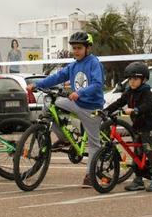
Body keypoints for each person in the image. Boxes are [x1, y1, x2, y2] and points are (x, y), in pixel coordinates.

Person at [27, 31, 105, 186]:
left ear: (87, 48)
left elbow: (97, 84)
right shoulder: (73, 65)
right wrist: (37, 84)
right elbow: (57, 77)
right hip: (77, 103)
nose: (75, 51)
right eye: (74, 48)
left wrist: (79, 93)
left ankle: (90, 175)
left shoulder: (94, 63)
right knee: (51, 105)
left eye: (79, 48)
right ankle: (63, 138)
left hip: (92, 107)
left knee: (93, 143)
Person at [104, 62, 152, 192]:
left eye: (135, 79)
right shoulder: (129, 92)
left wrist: (135, 110)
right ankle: (138, 179)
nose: (132, 82)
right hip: (137, 126)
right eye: (130, 79)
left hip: (148, 126)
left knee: (148, 149)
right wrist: (106, 111)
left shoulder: (146, 92)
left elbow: (147, 106)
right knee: (137, 153)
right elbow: (119, 102)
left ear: (143, 80)